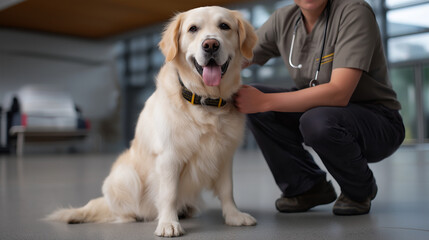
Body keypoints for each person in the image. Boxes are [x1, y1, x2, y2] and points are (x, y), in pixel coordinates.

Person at [234, 0, 405, 215]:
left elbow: (339, 93)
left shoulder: (354, 11)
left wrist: (264, 101)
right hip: (318, 112)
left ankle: (359, 190)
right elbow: (238, 57)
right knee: (257, 100)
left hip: (377, 120)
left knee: (313, 120)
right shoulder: (283, 19)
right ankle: (306, 187)